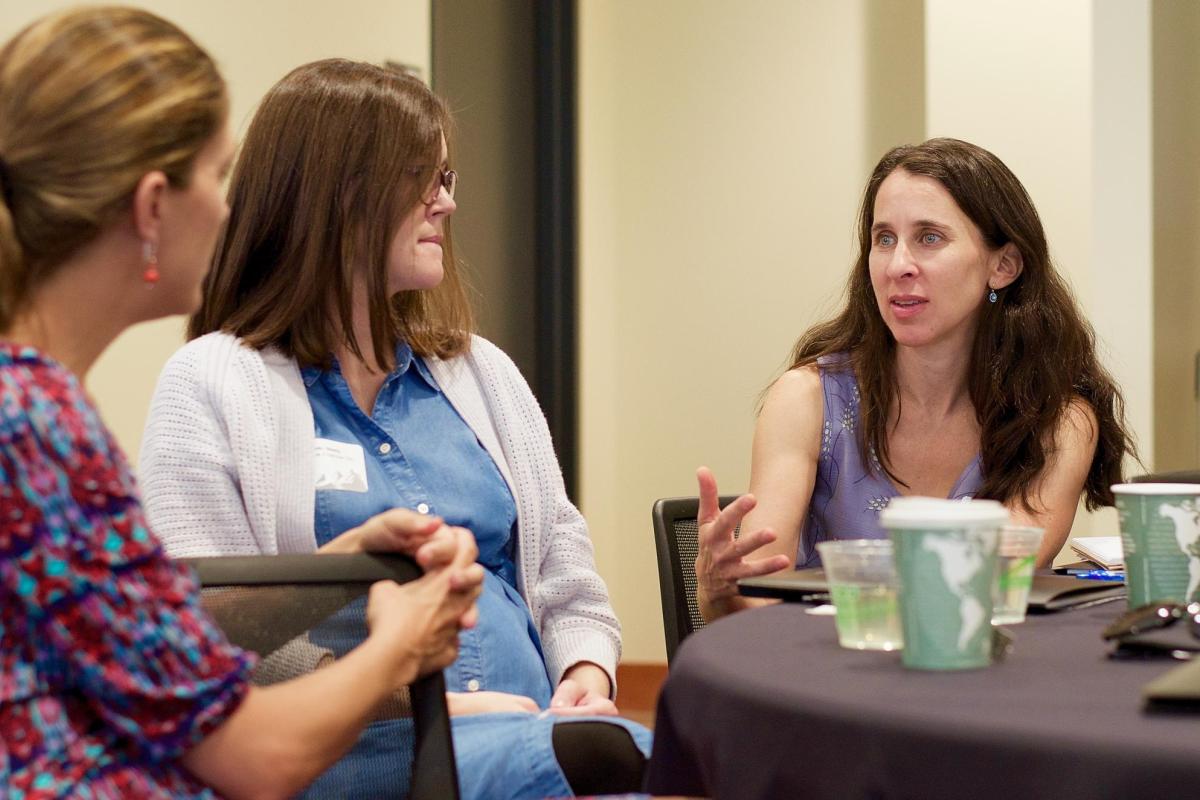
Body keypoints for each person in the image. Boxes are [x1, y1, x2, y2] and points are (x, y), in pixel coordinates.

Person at [0, 7, 485, 799]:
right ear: (153, 206)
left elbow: (155, 646)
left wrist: (329, 573)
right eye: (217, 177)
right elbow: (254, 758)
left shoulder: (34, 404)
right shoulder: (38, 426)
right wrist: (401, 647)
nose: (229, 212)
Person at [138, 58, 650, 798]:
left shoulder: (485, 376)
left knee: (624, 758)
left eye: (448, 180)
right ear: (335, 194)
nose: (445, 205)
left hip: (542, 731)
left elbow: (565, 574)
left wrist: (584, 672)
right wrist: (416, 699)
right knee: (616, 762)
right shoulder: (211, 383)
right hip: (362, 757)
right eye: (423, 178)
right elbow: (214, 635)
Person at [695, 137, 1134, 621]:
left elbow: (975, 586)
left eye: (929, 237)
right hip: (824, 677)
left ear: (1003, 266)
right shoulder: (806, 397)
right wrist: (719, 591)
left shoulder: (1057, 421)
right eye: (884, 239)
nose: (898, 265)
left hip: (974, 684)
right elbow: (753, 606)